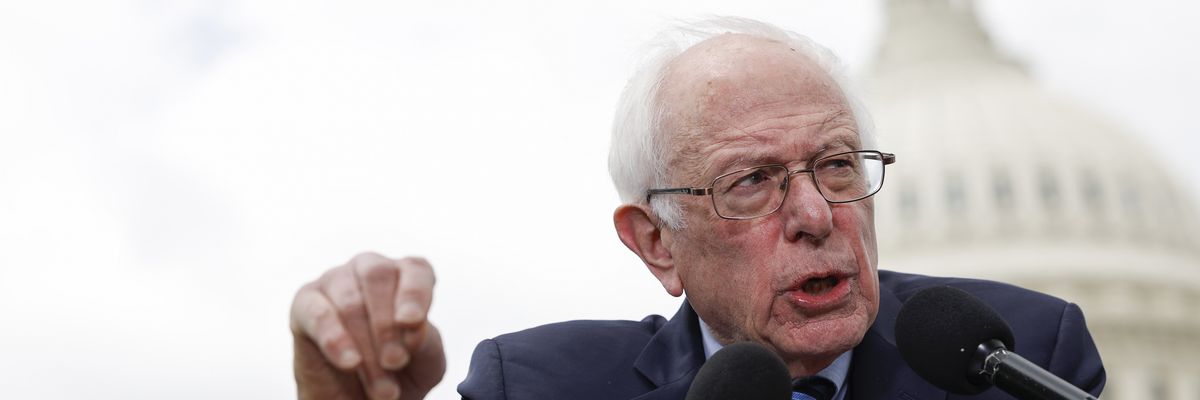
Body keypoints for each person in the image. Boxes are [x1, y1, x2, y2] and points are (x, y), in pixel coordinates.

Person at [289, 17, 1106, 400]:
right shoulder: (542, 389)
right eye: (750, 181)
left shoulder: (1022, 359)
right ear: (655, 243)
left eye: (835, 165)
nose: (817, 213)